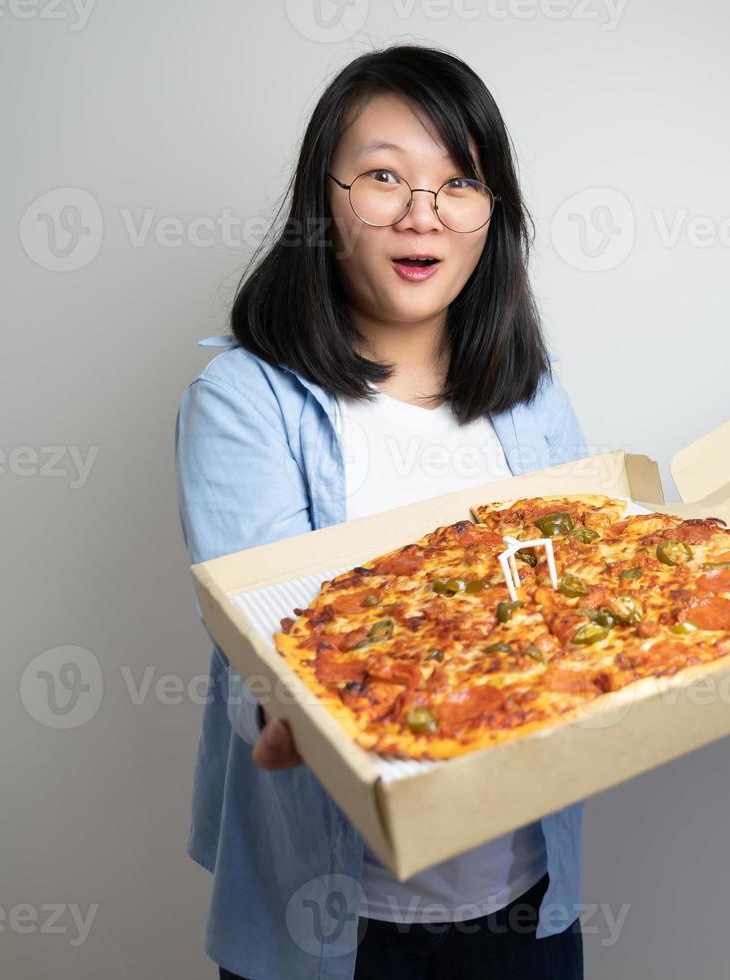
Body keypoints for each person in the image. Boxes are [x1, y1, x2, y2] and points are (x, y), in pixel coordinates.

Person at [174, 44, 590, 980]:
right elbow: (264, 629)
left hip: (526, 898)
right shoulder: (243, 400)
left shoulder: (533, 397)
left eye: (459, 184)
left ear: (495, 214)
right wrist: (286, 713)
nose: (422, 215)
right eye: (383, 178)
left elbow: (580, 598)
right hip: (333, 919)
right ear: (324, 201)